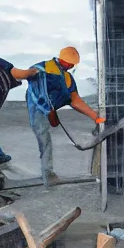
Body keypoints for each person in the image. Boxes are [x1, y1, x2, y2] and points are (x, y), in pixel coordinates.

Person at [26, 46, 104, 187]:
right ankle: (48, 175)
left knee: (46, 141)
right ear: (62, 59)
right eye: (70, 63)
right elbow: (36, 93)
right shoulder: (41, 69)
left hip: (51, 109)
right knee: (45, 141)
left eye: (74, 64)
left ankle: (48, 174)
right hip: (37, 110)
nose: (72, 66)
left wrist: (95, 116)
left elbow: (75, 100)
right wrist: (49, 111)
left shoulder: (67, 77)